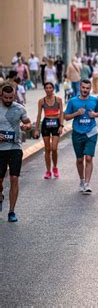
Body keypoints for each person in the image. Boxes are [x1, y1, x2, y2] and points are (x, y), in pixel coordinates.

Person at [0, 82, 32, 222]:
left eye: (11, 98)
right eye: (5, 98)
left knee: (14, 178)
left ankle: (11, 211)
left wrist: (27, 126)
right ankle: (1, 196)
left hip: (15, 148)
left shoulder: (19, 108)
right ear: (1, 96)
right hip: (0, 149)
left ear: (14, 96)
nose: (8, 100)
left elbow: (28, 123)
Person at [64, 79, 98, 194]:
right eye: (83, 88)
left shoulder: (94, 100)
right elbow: (66, 116)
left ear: (90, 89)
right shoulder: (73, 101)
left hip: (91, 132)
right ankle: (81, 180)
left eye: (87, 88)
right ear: (80, 88)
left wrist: (94, 115)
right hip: (77, 133)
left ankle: (87, 183)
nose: (85, 90)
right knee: (80, 159)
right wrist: (77, 113)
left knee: (89, 158)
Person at [33, 82, 64, 179]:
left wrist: (61, 126)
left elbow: (62, 113)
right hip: (46, 124)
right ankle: (48, 171)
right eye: (46, 88)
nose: (48, 90)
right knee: (47, 149)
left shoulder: (58, 100)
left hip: (56, 123)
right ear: (44, 89)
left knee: (54, 148)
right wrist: (36, 129)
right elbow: (39, 115)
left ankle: (55, 168)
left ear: (53, 89)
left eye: (50, 88)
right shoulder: (41, 101)